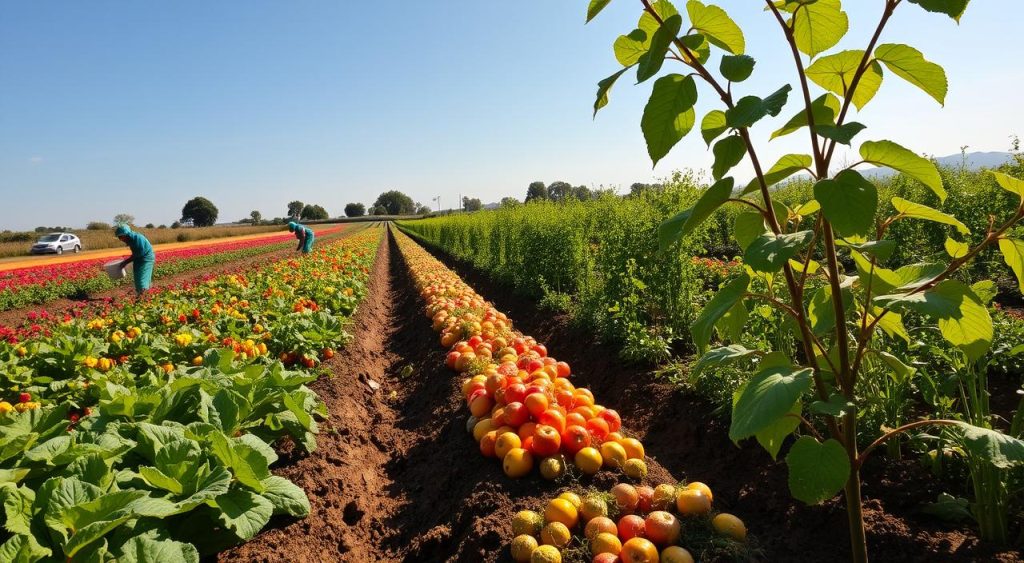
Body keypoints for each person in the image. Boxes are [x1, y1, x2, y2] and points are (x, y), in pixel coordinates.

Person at [114, 224, 155, 296]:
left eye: (121, 236)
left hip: (146, 259)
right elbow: (136, 253)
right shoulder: (130, 238)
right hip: (139, 259)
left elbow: (139, 253)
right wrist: (126, 260)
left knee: (142, 278)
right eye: (119, 237)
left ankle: (143, 295)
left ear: (126, 234)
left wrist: (126, 262)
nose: (120, 239)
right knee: (138, 277)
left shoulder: (137, 238)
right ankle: (143, 293)